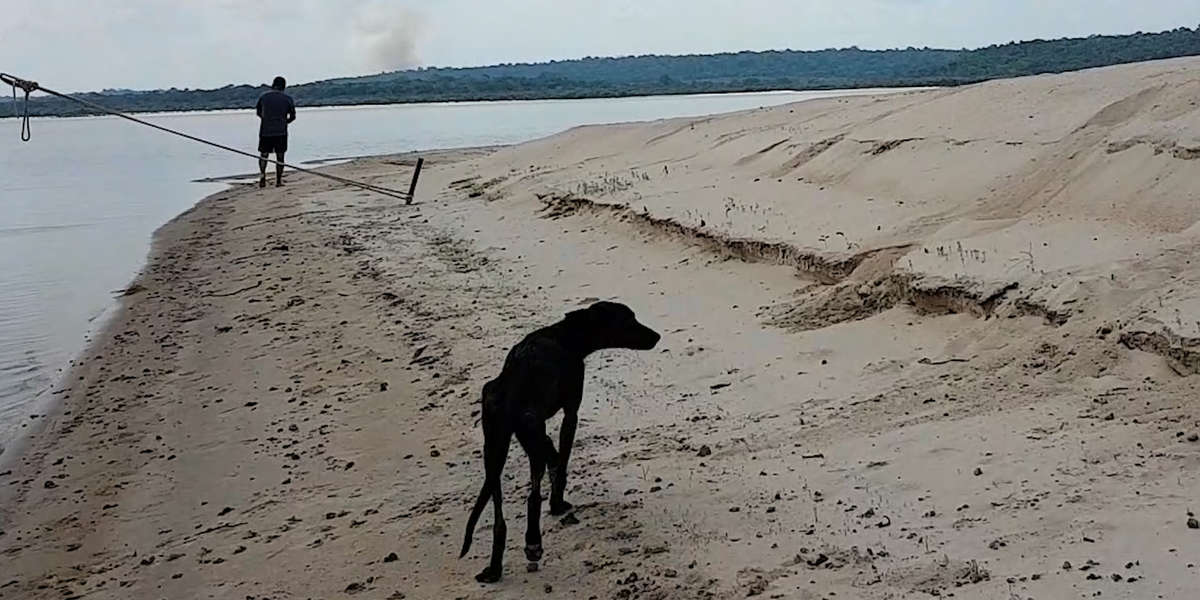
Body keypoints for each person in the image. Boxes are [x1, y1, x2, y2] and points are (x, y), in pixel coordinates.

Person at [255, 76, 296, 188]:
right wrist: (284, 122)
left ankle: (262, 176)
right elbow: (292, 116)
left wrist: (266, 120)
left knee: (264, 154)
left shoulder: (263, 97)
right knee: (280, 156)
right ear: (283, 86)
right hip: (281, 131)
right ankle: (278, 180)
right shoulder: (287, 98)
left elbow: (258, 112)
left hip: (265, 130)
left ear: (273, 85)